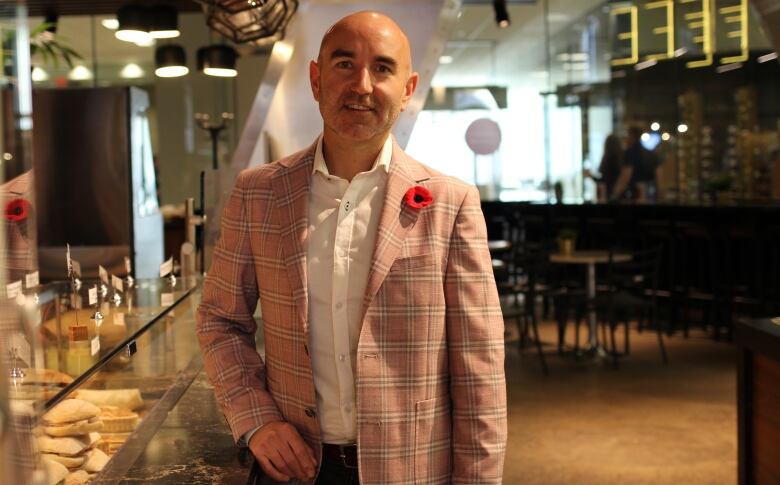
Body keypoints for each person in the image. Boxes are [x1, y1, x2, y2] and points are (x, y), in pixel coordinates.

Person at [196, 11, 507, 485]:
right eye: (345, 64)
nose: (362, 84)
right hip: (297, 468)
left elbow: (478, 370)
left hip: (414, 469)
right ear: (317, 80)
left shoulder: (450, 203)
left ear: (408, 89)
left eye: (382, 68)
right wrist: (254, 417)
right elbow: (220, 319)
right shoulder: (258, 193)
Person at [610, 125, 661, 201]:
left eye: (627, 134)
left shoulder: (630, 153)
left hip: (635, 196)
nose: (626, 137)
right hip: (650, 195)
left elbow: (626, 176)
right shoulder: (652, 154)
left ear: (632, 136)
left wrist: (615, 194)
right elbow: (659, 178)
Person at [584, 134, 622, 201]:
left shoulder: (609, 159)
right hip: (619, 193)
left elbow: (604, 180)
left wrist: (590, 176)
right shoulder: (621, 158)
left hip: (610, 194)